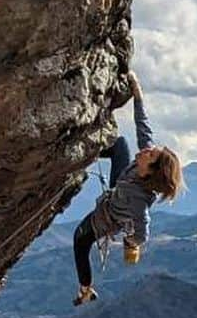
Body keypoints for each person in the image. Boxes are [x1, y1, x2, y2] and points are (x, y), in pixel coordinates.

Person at [72, 72, 184, 306]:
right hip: (119, 187)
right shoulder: (143, 166)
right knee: (120, 144)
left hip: (108, 216)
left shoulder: (139, 201)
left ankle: (85, 289)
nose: (146, 150)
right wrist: (137, 91)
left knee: (80, 241)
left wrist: (130, 242)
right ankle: (80, 150)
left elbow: (143, 232)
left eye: (150, 154)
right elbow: (143, 126)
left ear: (151, 170)